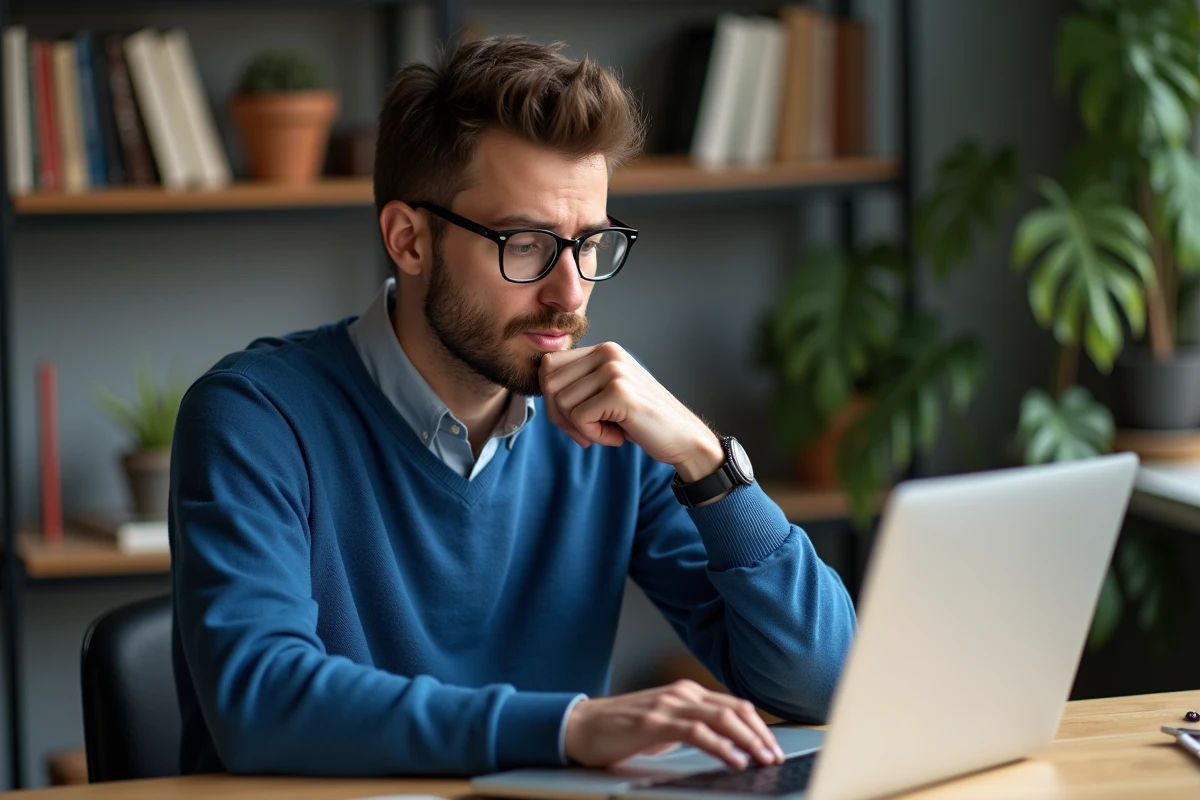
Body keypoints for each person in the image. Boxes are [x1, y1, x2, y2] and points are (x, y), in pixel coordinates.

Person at [170, 35, 856, 778]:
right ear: (408, 240)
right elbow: (261, 703)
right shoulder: (254, 417)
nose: (569, 294)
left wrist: (707, 464)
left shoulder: (612, 431)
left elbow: (823, 683)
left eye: (590, 243)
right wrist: (566, 727)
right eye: (526, 244)